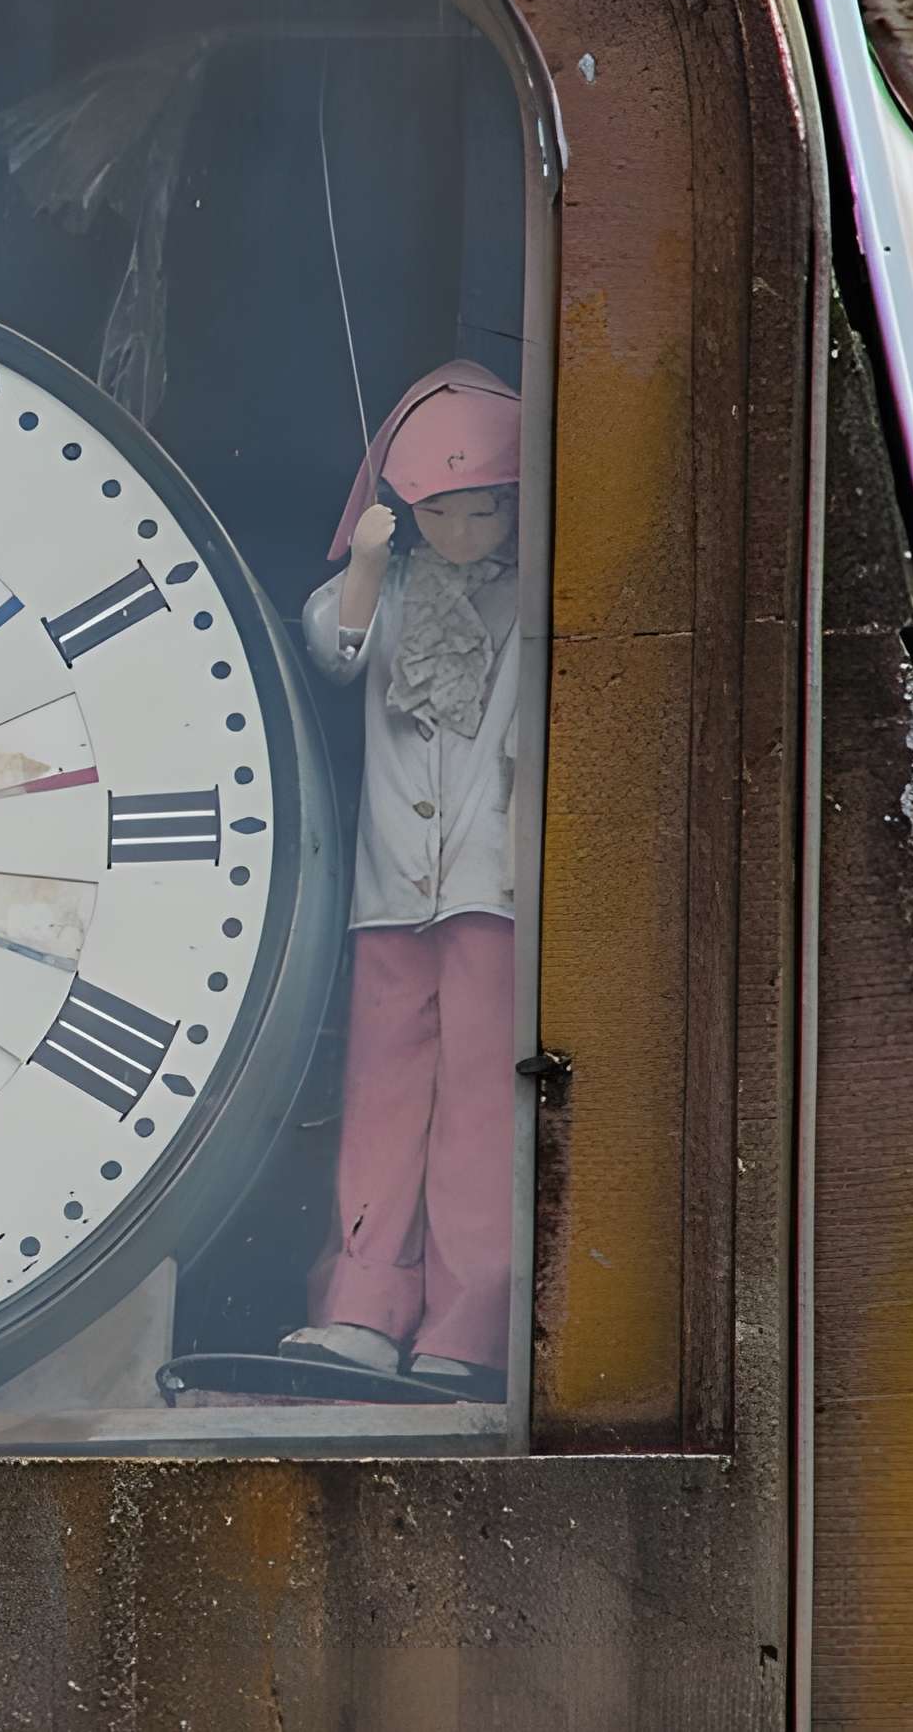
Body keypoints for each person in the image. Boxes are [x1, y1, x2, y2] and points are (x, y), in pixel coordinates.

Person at [280, 362, 523, 1399]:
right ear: (406, 511)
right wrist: (370, 565)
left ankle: (462, 1325)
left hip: (489, 891)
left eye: (485, 510)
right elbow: (329, 648)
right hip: (392, 890)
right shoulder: (385, 594)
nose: (467, 530)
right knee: (380, 1097)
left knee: (477, 1108)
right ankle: (360, 1310)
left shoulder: (530, 594)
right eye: (444, 513)